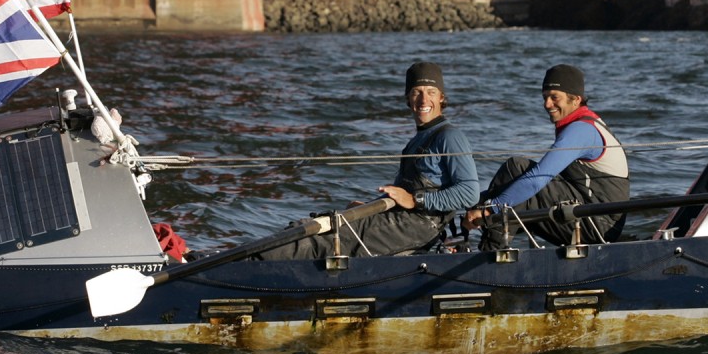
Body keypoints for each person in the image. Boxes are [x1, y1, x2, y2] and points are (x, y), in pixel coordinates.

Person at [255, 61, 480, 260]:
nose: (424, 99)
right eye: (416, 91)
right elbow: (401, 194)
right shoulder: (416, 141)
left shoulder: (451, 137)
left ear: (441, 97)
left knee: (319, 241)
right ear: (407, 98)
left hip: (418, 226)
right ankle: (245, 259)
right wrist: (371, 208)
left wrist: (416, 200)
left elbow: (470, 192)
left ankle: (244, 271)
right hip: (398, 218)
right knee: (311, 226)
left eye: (431, 92)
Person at [464, 64, 629, 247]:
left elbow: (537, 179)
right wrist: (476, 202)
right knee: (511, 189)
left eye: (554, 97)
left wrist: (490, 208)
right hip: (587, 216)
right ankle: (483, 247)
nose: (547, 104)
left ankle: (490, 256)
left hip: (598, 226)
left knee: (516, 168)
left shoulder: (581, 130)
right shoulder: (580, 124)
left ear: (576, 100)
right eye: (545, 97)